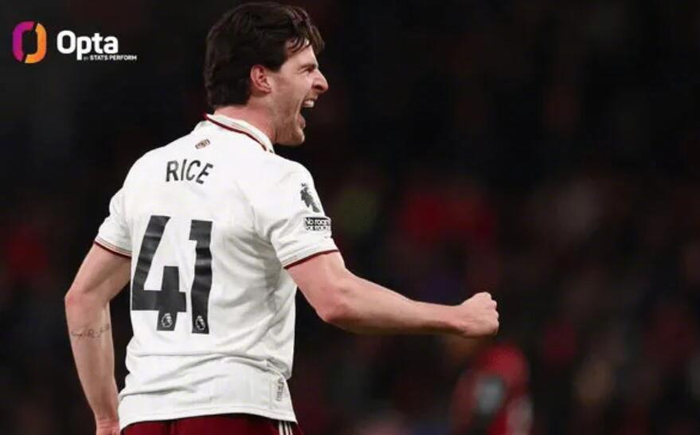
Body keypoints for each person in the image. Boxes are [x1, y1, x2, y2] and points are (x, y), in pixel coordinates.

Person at [64, 3, 500, 435]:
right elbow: (336, 298)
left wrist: (107, 417)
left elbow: (83, 298)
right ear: (262, 78)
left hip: (144, 418)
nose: (322, 82)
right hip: (237, 413)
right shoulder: (275, 176)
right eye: (306, 68)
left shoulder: (148, 171)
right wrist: (455, 318)